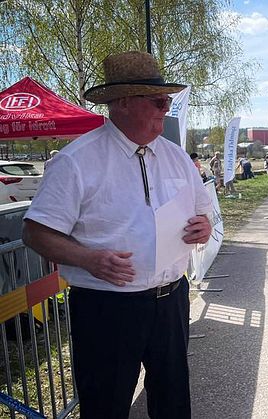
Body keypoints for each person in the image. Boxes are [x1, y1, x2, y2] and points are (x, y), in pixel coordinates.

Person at [21, 51, 212, 419]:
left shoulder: (175, 156)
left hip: (170, 298)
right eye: (157, 100)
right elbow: (35, 232)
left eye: (167, 100)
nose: (165, 108)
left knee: (173, 401)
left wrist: (203, 225)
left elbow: (203, 210)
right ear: (123, 103)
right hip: (107, 307)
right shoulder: (76, 160)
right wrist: (89, 259)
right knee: (105, 405)